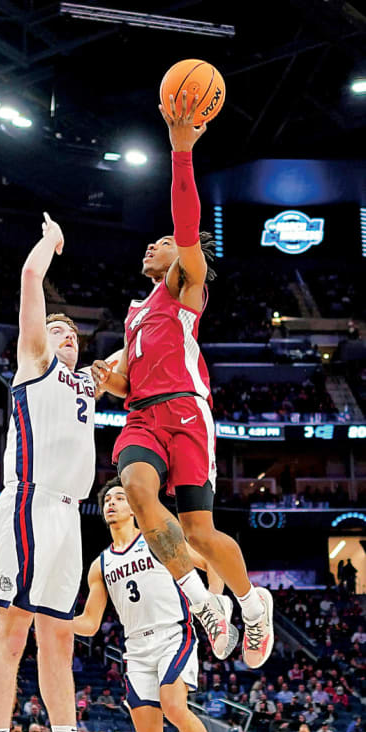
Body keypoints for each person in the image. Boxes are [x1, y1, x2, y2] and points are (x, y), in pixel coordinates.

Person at [91, 92, 273, 668]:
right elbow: (125, 384)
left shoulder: (185, 286)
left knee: (199, 533)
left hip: (188, 412)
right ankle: (202, 602)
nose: (154, 244)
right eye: (154, 243)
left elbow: (187, 225)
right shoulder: (135, 312)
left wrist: (181, 152)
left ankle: (251, 601)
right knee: (138, 491)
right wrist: (106, 379)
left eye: (162, 242)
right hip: (143, 415)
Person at [0, 214, 117, 732]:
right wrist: (50, 245)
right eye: (57, 328)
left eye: (72, 333)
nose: (65, 335)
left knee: (57, 638)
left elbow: (129, 364)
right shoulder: (35, 362)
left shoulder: (86, 384)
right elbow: (32, 276)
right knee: (12, 635)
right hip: (28, 504)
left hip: (67, 516)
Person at [73, 478, 244, 732]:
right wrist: (53, 620)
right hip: (135, 650)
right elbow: (90, 624)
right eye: (108, 500)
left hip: (174, 635)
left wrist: (213, 601)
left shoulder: (157, 539)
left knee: (174, 705)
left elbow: (211, 562)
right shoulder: (99, 565)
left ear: (135, 507)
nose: (112, 503)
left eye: (120, 498)